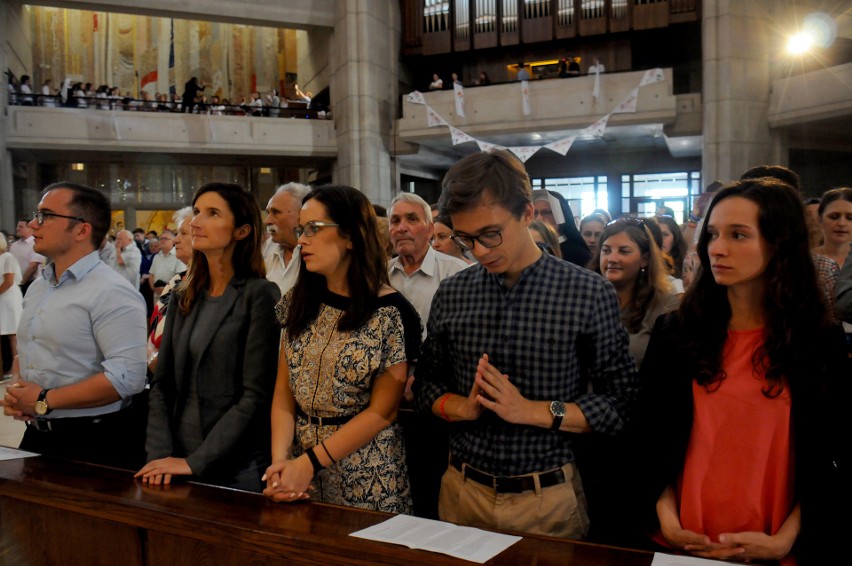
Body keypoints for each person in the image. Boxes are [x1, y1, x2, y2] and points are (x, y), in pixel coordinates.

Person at [413, 149, 638, 539]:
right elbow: (426, 385)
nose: (480, 251)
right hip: (461, 490)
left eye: (491, 234)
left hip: (546, 497)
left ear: (529, 213)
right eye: (466, 239)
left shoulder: (587, 292)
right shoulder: (453, 292)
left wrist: (534, 410)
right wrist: (460, 408)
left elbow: (619, 403)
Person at [637, 178, 849, 564]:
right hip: (682, 542)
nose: (717, 248)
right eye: (714, 234)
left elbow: (831, 453)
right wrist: (666, 517)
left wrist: (787, 537)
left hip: (774, 547)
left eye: (738, 235)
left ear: (779, 241)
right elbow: (649, 436)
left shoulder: (819, 340)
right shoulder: (676, 332)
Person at [263, 185, 420, 514]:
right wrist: (282, 463)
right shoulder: (297, 301)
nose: (302, 239)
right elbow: (283, 391)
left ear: (351, 236)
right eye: (301, 230)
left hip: (366, 473)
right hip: (299, 470)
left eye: (314, 229)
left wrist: (310, 463)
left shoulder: (391, 312)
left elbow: (383, 411)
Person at [137, 183, 280, 491]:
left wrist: (196, 461)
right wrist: (160, 454)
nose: (195, 222)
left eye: (212, 213)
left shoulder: (259, 294)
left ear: (241, 231)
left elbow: (254, 394)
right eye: (197, 211)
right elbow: (162, 383)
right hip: (175, 453)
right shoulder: (185, 293)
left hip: (234, 462)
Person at [1, 182, 148, 469]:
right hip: (39, 432)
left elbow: (126, 377)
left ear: (82, 230)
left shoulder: (110, 290)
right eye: (36, 214)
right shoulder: (41, 286)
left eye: (46, 215)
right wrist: (22, 393)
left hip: (93, 439)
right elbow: (36, 348)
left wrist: (43, 399)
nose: (33, 224)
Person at [591, 218, 679, 368]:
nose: (612, 258)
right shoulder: (586, 299)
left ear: (644, 260)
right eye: (606, 251)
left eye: (624, 251)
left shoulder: (664, 304)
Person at [387, 192, 468, 338]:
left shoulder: (457, 272)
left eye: (412, 219)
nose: (401, 228)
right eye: (395, 221)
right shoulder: (379, 275)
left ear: (430, 230)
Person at [147, 207, 193, 371]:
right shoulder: (177, 281)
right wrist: (152, 355)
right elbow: (155, 330)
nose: (175, 241)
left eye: (183, 233)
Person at [264, 182, 312, 294]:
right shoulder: (264, 250)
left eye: (275, 212)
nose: (267, 221)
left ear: (301, 214)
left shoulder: (319, 256)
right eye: (268, 213)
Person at [532, 190, 591, 266]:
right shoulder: (526, 249)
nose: (538, 219)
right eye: (535, 213)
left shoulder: (579, 254)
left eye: (546, 212)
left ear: (561, 217)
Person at [0, 234, 23, 376]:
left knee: (12, 334)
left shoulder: (7, 257)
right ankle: (3, 369)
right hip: (1, 298)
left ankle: (18, 370)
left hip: (8, 298)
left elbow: (9, 281)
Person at [813, 187, 851, 268]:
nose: (841, 223)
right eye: (834, 217)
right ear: (820, 219)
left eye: (850, 218)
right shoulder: (805, 261)